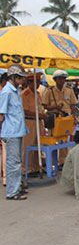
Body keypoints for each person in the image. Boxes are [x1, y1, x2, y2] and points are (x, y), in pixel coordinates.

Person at [0, 65, 29, 200]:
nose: (22, 80)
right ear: (13, 78)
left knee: (17, 161)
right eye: (20, 78)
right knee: (13, 163)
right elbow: (1, 114)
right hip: (11, 132)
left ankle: (16, 186)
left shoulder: (16, 91)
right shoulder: (6, 92)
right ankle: (12, 192)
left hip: (17, 131)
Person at [42, 69, 77, 166]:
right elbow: (45, 105)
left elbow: (73, 105)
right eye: (60, 78)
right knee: (53, 140)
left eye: (64, 79)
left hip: (65, 118)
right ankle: (53, 162)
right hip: (54, 117)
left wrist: (74, 117)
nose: (62, 81)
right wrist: (54, 107)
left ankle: (63, 162)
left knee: (64, 140)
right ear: (55, 79)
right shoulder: (50, 91)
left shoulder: (69, 90)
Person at [21, 72, 48, 176]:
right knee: (28, 145)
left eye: (38, 82)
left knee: (38, 145)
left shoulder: (37, 94)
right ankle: (27, 169)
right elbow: (24, 111)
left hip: (38, 122)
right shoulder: (25, 94)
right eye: (34, 82)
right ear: (29, 82)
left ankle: (37, 167)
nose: (37, 85)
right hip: (29, 122)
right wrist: (39, 115)